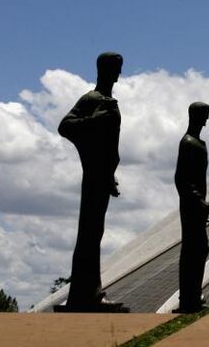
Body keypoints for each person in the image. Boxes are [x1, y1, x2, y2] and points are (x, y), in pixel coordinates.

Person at [58, 52, 124, 311]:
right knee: (89, 233)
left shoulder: (109, 101)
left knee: (94, 233)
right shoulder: (92, 99)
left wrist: (110, 175)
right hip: (93, 175)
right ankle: (85, 294)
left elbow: (109, 146)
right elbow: (66, 126)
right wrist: (96, 119)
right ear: (104, 70)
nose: (118, 74)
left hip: (103, 176)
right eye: (116, 69)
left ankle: (88, 292)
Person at [174, 102, 209, 313]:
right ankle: (188, 298)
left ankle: (193, 295)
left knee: (200, 249)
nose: (206, 120)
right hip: (191, 206)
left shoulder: (199, 143)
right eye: (204, 116)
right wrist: (198, 201)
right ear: (195, 116)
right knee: (193, 249)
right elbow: (181, 178)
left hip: (198, 206)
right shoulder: (188, 143)